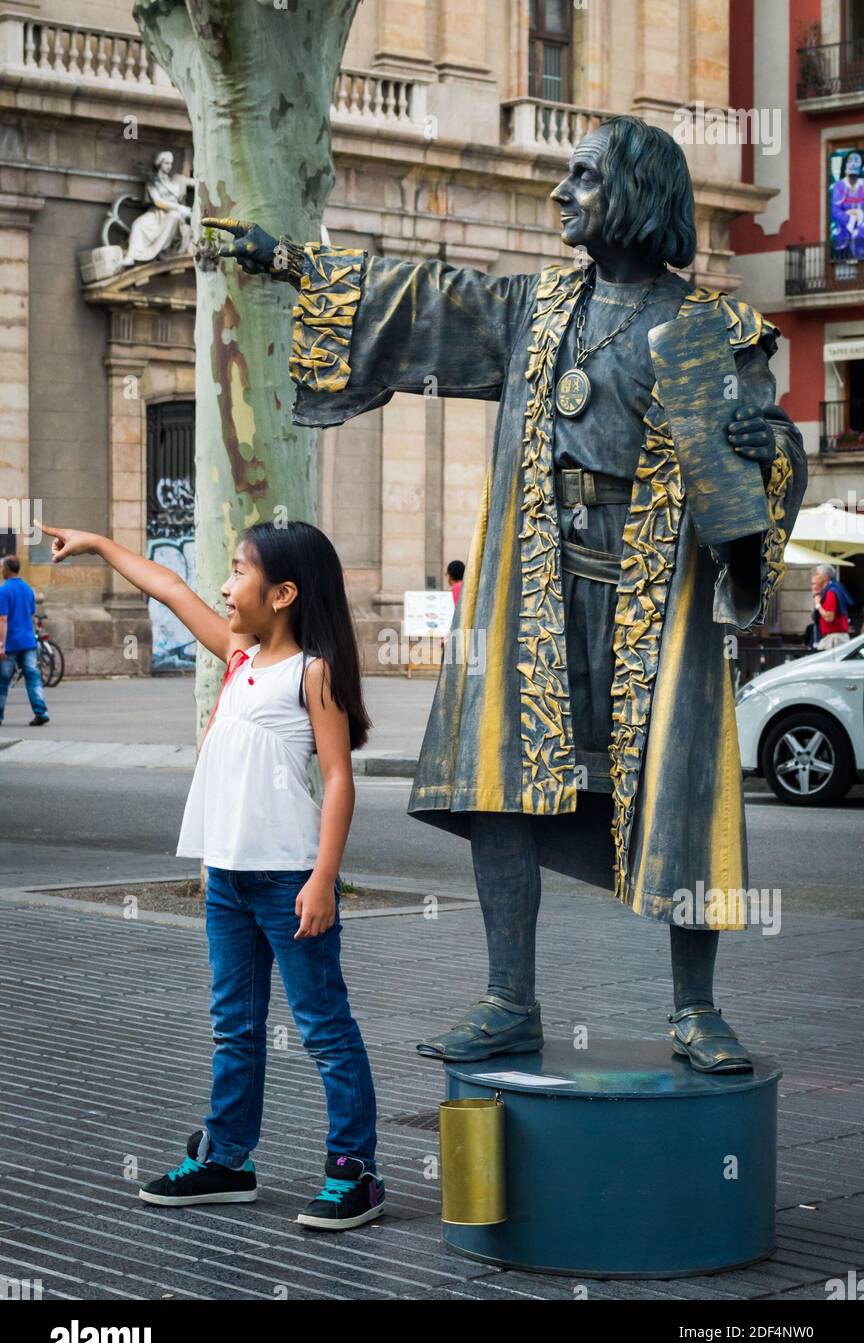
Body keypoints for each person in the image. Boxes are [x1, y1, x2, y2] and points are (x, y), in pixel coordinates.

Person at [202, 114, 808, 1076]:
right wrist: (290, 263)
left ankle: (697, 1008)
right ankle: (509, 1002)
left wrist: (762, 464)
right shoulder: (540, 310)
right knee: (504, 785)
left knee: (679, 788)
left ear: (640, 195)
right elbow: (423, 297)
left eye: (582, 177)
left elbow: (769, 460)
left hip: (656, 597)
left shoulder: (712, 329)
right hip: (539, 580)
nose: (561, 194)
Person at [41, 518, 384, 1230]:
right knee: (235, 1026)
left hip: (288, 880)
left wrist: (324, 879)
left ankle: (356, 1170)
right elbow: (167, 586)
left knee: (324, 1028)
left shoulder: (311, 672)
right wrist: (101, 547)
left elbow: (339, 778)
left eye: (238, 572)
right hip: (226, 878)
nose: (224, 587)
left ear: (283, 593)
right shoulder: (238, 654)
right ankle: (228, 1158)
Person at [0, 555, 50, 728]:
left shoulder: (3, 590)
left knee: (3, 680)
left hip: (11, 643)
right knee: (33, 677)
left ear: (7, 569)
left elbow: (3, 620)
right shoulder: (28, 589)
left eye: (2, 567)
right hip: (28, 641)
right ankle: (41, 712)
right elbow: (30, 615)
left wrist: (1, 645)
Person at [810, 564, 853, 649]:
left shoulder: (831, 592)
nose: (815, 577)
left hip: (834, 639)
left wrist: (818, 604)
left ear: (825, 578)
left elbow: (829, 617)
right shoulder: (833, 589)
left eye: (817, 574)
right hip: (833, 637)